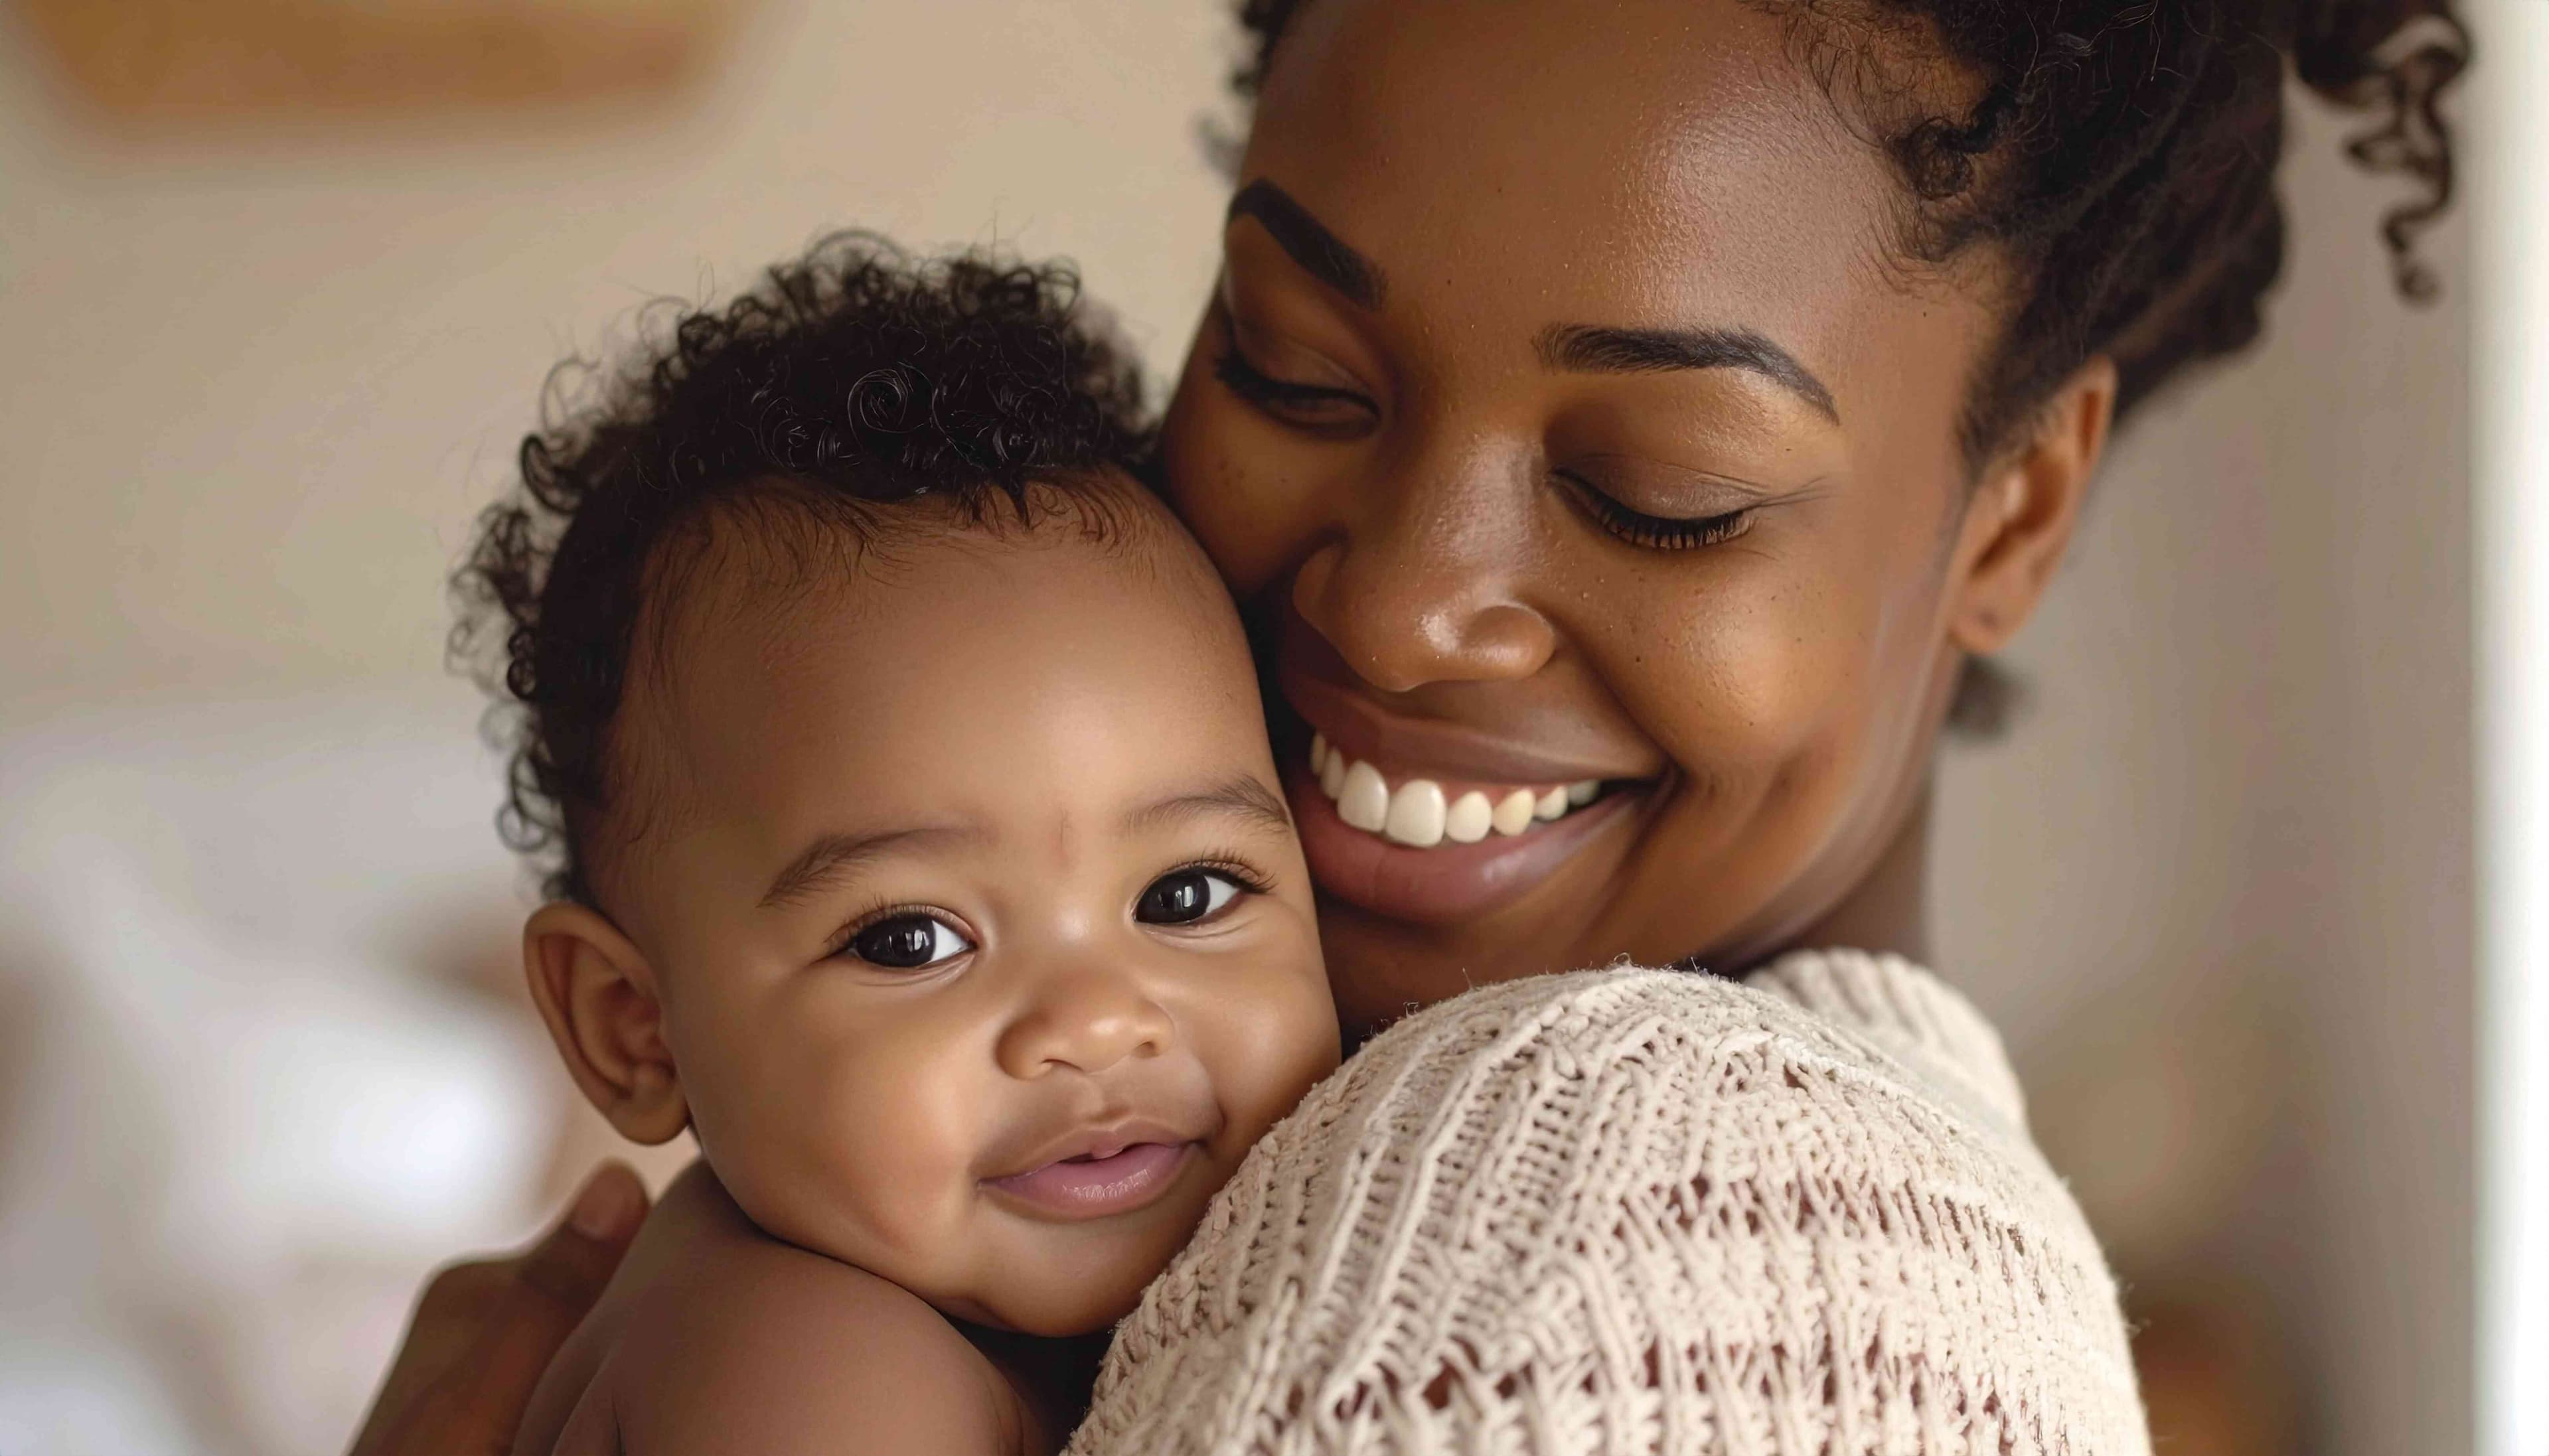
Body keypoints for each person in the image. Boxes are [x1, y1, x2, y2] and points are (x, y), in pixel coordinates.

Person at [350, 0, 2466, 1451]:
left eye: (1662, 485)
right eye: (1294, 367)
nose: (1395, 595)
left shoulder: (1681, 1269)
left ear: (2017, 505)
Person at [449, 241, 1343, 1455]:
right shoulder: (806, 1365)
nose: (1093, 1019)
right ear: (632, 1025)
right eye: (909, 937)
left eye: (1187, 892)